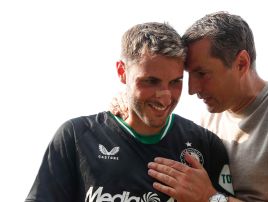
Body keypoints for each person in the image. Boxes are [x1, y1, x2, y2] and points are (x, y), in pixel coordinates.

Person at [111, 11, 268, 201]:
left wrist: (210, 198)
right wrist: (129, 107)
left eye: (202, 73)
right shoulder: (208, 123)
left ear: (241, 63)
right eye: (187, 76)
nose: (192, 89)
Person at [25, 22, 234, 202]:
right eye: (150, 81)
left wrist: (209, 197)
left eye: (175, 82)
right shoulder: (75, 137)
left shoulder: (206, 145)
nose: (164, 96)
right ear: (122, 72)